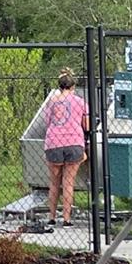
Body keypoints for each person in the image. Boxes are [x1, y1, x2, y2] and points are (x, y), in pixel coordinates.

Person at [44, 69, 89, 227]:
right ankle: (67, 219)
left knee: (54, 183)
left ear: (59, 86)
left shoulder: (51, 102)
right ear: (73, 86)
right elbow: (87, 125)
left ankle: (51, 217)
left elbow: (47, 122)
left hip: (53, 143)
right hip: (74, 142)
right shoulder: (80, 102)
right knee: (68, 182)